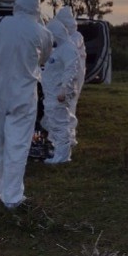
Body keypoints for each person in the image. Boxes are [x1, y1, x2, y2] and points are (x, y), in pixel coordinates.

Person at [0, 0, 53, 209]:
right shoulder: (43, 32)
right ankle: (13, 198)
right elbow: (45, 56)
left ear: (16, 6)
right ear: (36, 10)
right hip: (24, 96)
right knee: (18, 146)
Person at [41, 18, 80, 164]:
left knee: (60, 122)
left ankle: (62, 156)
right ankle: (59, 149)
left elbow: (71, 69)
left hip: (59, 93)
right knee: (56, 121)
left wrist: (64, 89)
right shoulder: (60, 48)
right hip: (53, 92)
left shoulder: (68, 48)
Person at [54, 6, 87, 109]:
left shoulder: (77, 36)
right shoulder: (62, 37)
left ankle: (68, 120)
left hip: (75, 71)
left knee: (71, 98)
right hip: (64, 70)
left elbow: (69, 48)